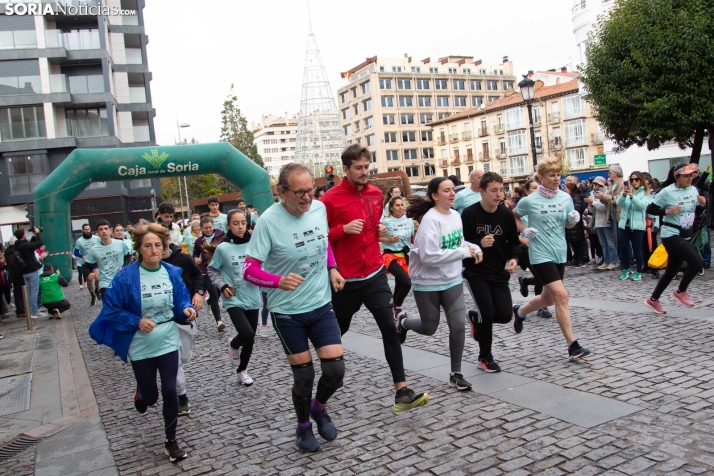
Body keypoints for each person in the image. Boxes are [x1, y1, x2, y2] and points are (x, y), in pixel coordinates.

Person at [244, 163, 346, 453]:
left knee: (335, 371)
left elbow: (322, 242)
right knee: (304, 375)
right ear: (281, 192)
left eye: (310, 190)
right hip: (288, 312)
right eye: (299, 192)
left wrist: (333, 268)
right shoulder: (268, 222)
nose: (307, 197)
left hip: (320, 303)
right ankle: (303, 429)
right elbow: (249, 270)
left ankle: (319, 407)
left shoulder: (319, 209)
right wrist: (277, 281)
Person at [322, 144, 429, 413]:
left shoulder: (374, 193)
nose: (364, 172)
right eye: (358, 168)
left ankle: (401, 391)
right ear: (345, 169)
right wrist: (342, 230)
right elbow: (321, 239)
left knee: (389, 330)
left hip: (373, 273)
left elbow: (373, 228)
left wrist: (379, 229)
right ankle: (331, 368)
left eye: (367, 167)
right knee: (338, 330)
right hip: (345, 280)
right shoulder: (330, 199)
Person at [88, 223, 195, 462]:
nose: (154, 250)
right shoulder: (125, 277)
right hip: (140, 345)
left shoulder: (172, 273)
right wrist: (136, 321)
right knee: (151, 397)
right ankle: (141, 394)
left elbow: (180, 302)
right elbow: (111, 310)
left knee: (170, 390)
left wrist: (186, 310)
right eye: (148, 245)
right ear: (139, 249)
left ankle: (171, 442)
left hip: (168, 340)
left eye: (158, 245)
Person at [398, 177, 482, 391]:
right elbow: (429, 256)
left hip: (452, 280)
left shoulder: (455, 215)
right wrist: (464, 253)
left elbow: (457, 241)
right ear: (435, 195)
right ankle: (404, 322)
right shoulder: (430, 220)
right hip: (427, 282)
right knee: (429, 328)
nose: (452, 194)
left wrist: (474, 248)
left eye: (453, 190)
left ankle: (456, 373)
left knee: (458, 326)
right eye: (446, 191)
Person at [513, 158, 591, 360]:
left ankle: (520, 311)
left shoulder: (565, 198)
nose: (557, 179)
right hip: (539, 254)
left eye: (559, 175)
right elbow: (514, 216)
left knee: (548, 298)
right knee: (562, 296)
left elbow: (567, 225)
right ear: (541, 178)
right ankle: (572, 345)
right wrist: (524, 230)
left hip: (559, 252)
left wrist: (572, 221)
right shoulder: (529, 200)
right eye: (552, 175)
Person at [462, 173, 522, 372]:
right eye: (493, 190)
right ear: (482, 191)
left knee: (504, 315)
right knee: (487, 313)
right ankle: (484, 357)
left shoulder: (505, 214)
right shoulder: (469, 214)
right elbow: (461, 244)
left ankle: (475, 317)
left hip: (498, 272)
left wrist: (514, 259)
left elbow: (514, 241)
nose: (499, 194)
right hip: (476, 272)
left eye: (501, 189)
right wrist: (479, 243)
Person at [207, 209, 261, 386]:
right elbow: (212, 269)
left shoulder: (255, 244)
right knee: (246, 333)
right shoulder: (223, 248)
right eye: (235, 223)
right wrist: (221, 286)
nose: (240, 227)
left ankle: (242, 370)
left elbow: (264, 265)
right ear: (228, 225)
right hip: (233, 297)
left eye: (243, 223)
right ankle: (234, 345)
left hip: (252, 296)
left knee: (251, 338)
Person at [644, 164, 707, 314]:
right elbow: (650, 209)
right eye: (686, 176)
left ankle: (653, 300)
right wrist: (667, 211)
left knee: (672, 270)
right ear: (677, 176)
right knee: (697, 263)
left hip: (686, 233)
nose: (690, 179)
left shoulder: (693, 190)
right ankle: (680, 291)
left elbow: (694, 211)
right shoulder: (667, 192)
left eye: (691, 175)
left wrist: (702, 205)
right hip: (670, 234)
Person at [161, 240, 204, 416]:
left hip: (185, 314)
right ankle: (181, 396)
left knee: (184, 357)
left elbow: (198, 275)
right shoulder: (143, 265)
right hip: (162, 320)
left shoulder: (183, 259)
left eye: (159, 243)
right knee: (174, 360)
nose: (155, 248)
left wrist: (198, 293)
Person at [516, 179, 554, 319]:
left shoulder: (543, 205)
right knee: (541, 277)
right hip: (527, 247)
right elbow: (511, 227)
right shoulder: (522, 206)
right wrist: (523, 237)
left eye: (538, 187)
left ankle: (525, 281)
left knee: (545, 276)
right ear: (526, 191)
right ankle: (542, 307)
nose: (537, 190)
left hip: (544, 246)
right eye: (533, 188)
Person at [379, 196, 416, 320]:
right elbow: (375, 238)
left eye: (402, 205)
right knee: (407, 282)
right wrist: (387, 240)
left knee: (400, 282)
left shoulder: (409, 221)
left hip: (405, 256)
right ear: (391, 207)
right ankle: (397, 306)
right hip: (390, 256)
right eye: (397, 205)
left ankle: (393, 305)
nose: (400, 208)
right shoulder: (385, 222)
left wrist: (417, 229)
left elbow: (413, 240)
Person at [615, 171, 652, 281]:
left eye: (636, 179)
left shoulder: (645, 192)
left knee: (637, 249)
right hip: (624, 224)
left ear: (640, 180)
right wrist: (624, 195)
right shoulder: (627, 191)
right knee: (624, 248)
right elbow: (619, 203)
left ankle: (639, 271)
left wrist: (632, 197)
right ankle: (626, 268)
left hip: (637, 225)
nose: (634, 181)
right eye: (632, 180)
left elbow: (641, 206)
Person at [192, 216, 226, 331]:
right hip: (205, 269)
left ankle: (210, 302)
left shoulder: (221, 236)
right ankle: (219, 321)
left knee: (216, 293)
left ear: (213, 226)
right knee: (214, 293)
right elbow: (195, 254)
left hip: (220, 268)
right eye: (205, 228)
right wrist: (196, 259)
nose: (208, 230)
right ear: (202, 228)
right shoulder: (198, 241)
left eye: (210, 227)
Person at [84, 220, 131, 300]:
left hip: (121, 280)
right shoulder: (94, 250)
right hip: (105, 284)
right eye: (101, 229)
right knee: (110, 309)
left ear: (110, 230)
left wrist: (124, 266)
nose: (104, 231)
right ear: (97, 232)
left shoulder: (120, 244)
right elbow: (85, 266)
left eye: (106, 228)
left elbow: (127, 257)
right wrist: (88, 274)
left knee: (125, 307)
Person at [587, 177, 619, 270]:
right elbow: (592, 211)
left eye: (596, 184)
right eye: (594, 184)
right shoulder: (592, 194)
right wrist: (590, 204)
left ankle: (613, 261)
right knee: (603, 243)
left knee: (610, 243)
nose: (595, 187)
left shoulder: (606, 193)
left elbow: (604, 208)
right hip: (598, 222)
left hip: (606, 221)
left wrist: (593, 202)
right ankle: (606, 261)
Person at [15, 227, 46, 319]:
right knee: (34, 292)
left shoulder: (18, 245)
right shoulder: (25, 245)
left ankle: (31, 310)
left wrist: (33, 235)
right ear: (23, 235)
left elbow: (30, 245)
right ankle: (34, 311)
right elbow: (40, 243)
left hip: (24, 271)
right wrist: (38, 233)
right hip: (31, 270)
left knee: (28, 292)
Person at [601, 164, 625, 261]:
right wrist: (602, 197)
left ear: (616, 173)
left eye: (610, 172)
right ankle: (622, 259)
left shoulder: (622, 183)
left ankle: (628, 260)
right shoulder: (611, 184)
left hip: (619, 214)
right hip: (612, 215)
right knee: (616, 239)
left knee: (622, 240)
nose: (609, 174)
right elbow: (606, 199)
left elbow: (617, 199)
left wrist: (605, 197)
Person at [564, 183, 586, 268]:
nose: (565, 189)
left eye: (566, 188)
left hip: (576, 224)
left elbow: (577, 209)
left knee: (578, 243)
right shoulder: (569, 197)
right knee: (573, 243)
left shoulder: (575, 197)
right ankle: (576, 258)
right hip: (571, 225)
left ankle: (581, 259)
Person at [4, 237, 26, 318]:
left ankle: (20, 309)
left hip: (13, 275)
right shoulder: (13, 253)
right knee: (20, 293)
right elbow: (18, 264)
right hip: (18, 275)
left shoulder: (7, 252)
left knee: (18, 293)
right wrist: (23, 267)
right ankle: (21, 310)